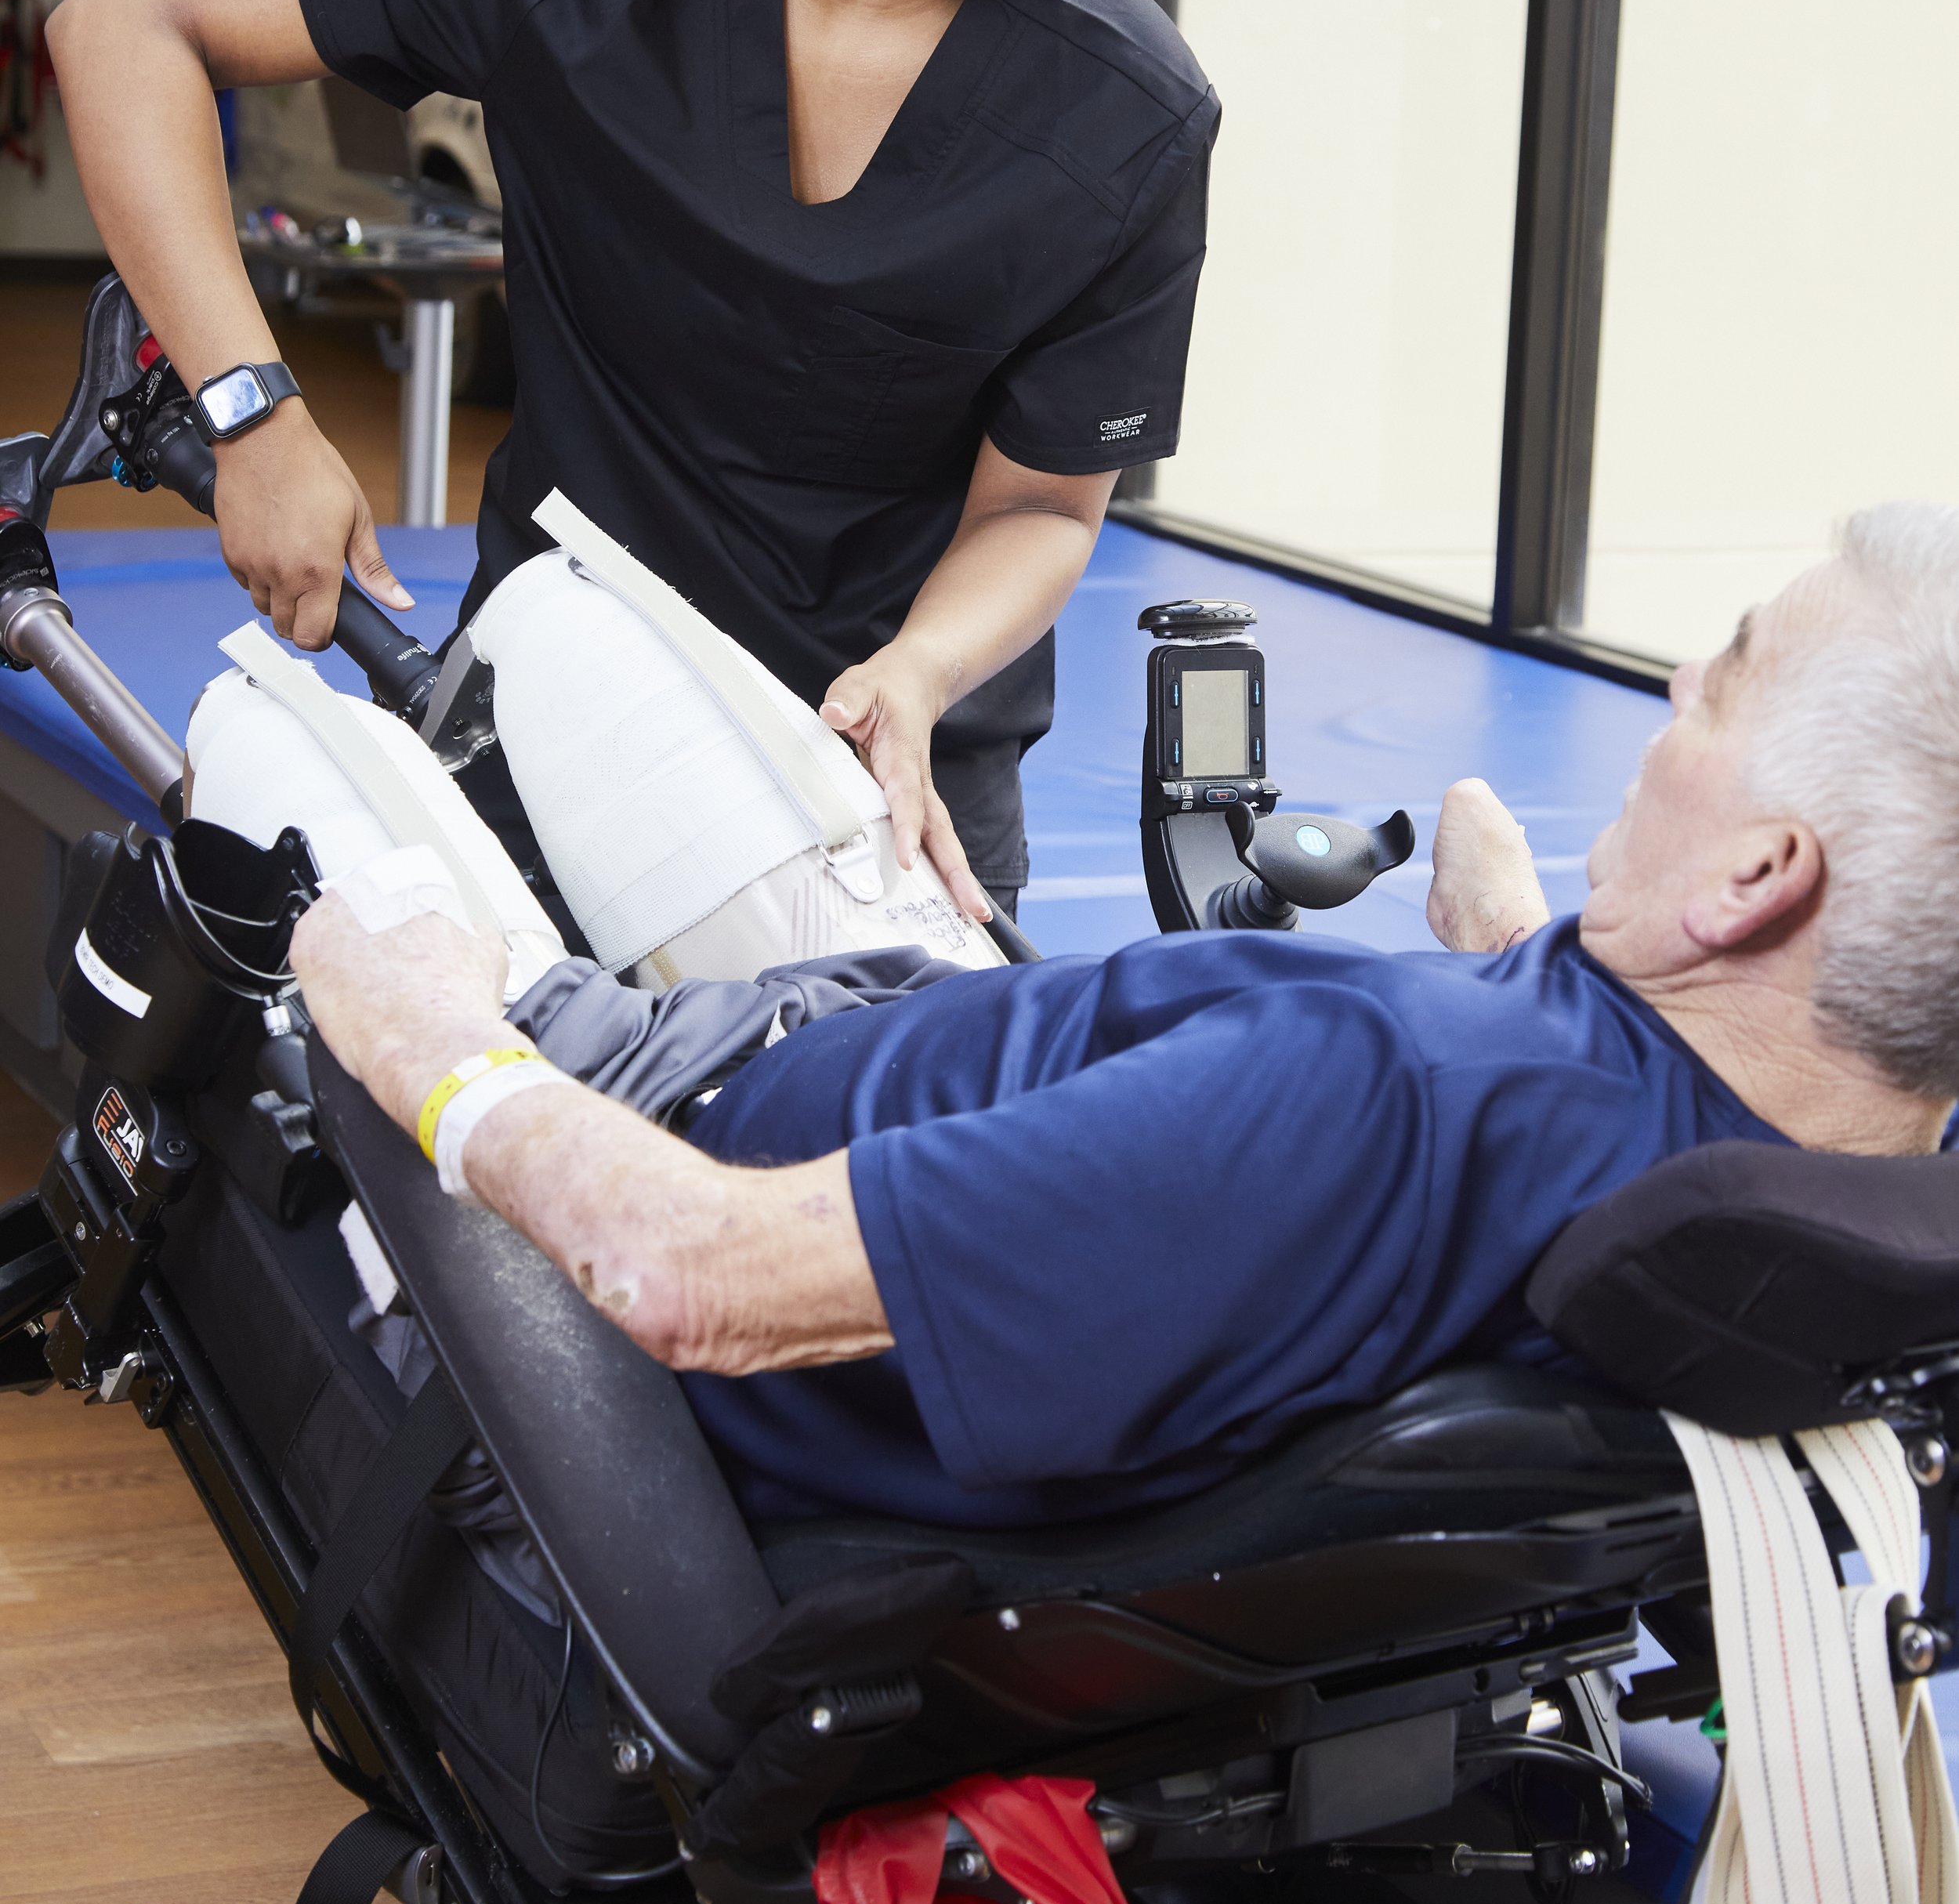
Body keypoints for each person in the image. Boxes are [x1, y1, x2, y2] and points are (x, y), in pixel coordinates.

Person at [46, 0, 1218, 925]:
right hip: (548, 741)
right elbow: (124, 26)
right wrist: (250, 411)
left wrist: (914, 675)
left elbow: (1044, 505)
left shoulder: (1125, 109)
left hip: (873, 796)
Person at [292, 505, 1959, 1530]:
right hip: (966, 1066)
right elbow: (1546, 1151)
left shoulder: (1373, 1087)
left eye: (1721, 683)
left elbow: (693, 1280)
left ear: (1750, 880)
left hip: (670, 1128)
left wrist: (440, 1052)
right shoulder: (1816, 1186)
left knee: (341, 763)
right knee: (576, 635)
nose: (1674, 694)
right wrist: (1516, 940)